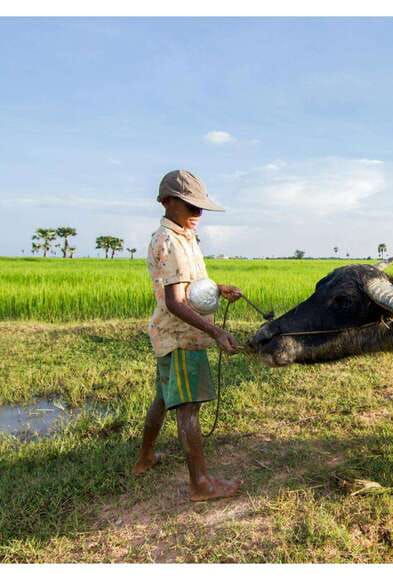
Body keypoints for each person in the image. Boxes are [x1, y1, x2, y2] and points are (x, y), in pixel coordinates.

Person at [133, 169, 243, 501]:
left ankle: (145, 457)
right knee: (188, 407)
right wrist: (216, 330)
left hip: (173, 334)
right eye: (190, 206)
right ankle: (201, 483)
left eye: (200, 208)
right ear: (167, 201)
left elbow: (188, 287)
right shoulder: (169, 241)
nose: (198, 214)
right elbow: (176, 302)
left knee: (164, 398)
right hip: (182, 336)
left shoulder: (184, 236)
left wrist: (216, 289)